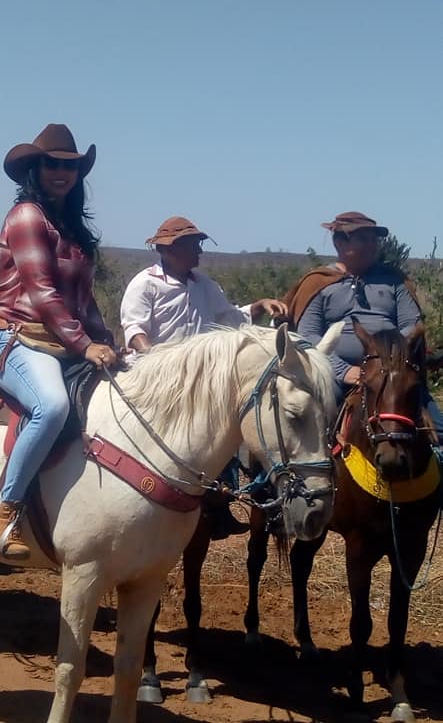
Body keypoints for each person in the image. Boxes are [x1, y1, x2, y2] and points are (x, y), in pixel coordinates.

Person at [0, 124, 117, 560]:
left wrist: (106, 339)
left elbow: (83, 299)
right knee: (52, 406)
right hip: (17, 338)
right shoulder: (27, 217)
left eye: (70, 166)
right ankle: (7, 509)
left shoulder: (71, 227)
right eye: (53, 164)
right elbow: (42, 292)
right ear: (36, 169)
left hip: (61, 341)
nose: (62, 173)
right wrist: (85, 345)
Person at [120, 215, 288, 538]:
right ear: (169, 249)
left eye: (197, 245)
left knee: (219, 429)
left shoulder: (205, 286)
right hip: (154, 380)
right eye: (192, 246)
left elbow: (231, 316)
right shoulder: (144, 284)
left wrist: (261, 305)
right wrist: (159, 362)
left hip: (198, 384)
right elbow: (135, 331)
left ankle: (217, 503)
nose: (199, 252)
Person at [284, 210, 443, 440]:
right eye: (363, 239)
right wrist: (344, 371)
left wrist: (391, 360)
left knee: (435, 428)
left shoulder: (394, 279)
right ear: (339, 242)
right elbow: (309, 335)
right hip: (334, 376)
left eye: (374, 239)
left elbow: (412, 324)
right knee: (303, 426)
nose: (372, 245)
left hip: (391, 371)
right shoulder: (318, 283)